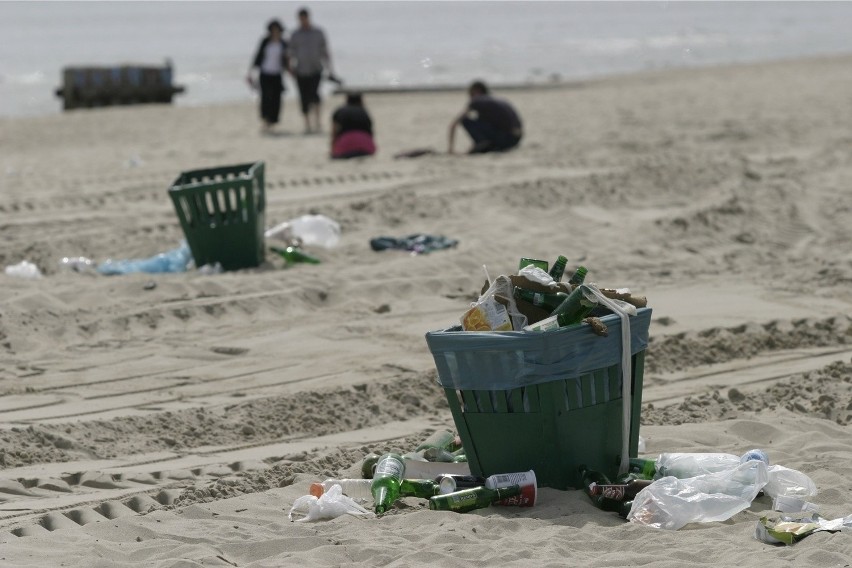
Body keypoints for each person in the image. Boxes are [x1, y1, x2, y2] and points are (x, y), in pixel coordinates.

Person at [288, 7, 333, 134]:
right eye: (301, 18)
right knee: (303, 97)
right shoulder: (295, 34)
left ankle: (318, 121)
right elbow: (290, 52)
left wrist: (330, 68)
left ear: (308, 17)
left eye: (304, 18)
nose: (303, 20)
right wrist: (290, 68)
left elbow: (325, 51)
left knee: (315, 95)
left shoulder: (318, 32)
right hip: (301, 70)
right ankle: (307, 124)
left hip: (316, 69)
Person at [448, 80, 523, 154]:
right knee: (481, 119)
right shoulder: (498, 100)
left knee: (465, 121)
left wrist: (451, 149)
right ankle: (485, 144)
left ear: (476, 91)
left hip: (505, 138)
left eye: (470, 94)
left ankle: (482, 142)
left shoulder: (477, 100)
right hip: (515, 140)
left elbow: (454, 124)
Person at [247, 19, 289, 133]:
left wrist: (290, 71)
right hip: (265, 73)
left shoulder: (283, 43)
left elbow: (287, 60)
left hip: (277, 74)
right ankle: (265, 120)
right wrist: (250, 72)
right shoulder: (265, 42)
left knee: (276, 98)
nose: (275, 32)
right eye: (273, 30)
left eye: (277, 30)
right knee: (265, 98)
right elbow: (257, 56)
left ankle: (273, 121)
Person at [330, 92, 376, 159]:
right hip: (365, 143)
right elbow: (370, 132)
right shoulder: (363, 111)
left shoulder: (339, 111)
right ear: (361, 100)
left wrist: (333, 150)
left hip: (346, 142)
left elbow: (334, 134)